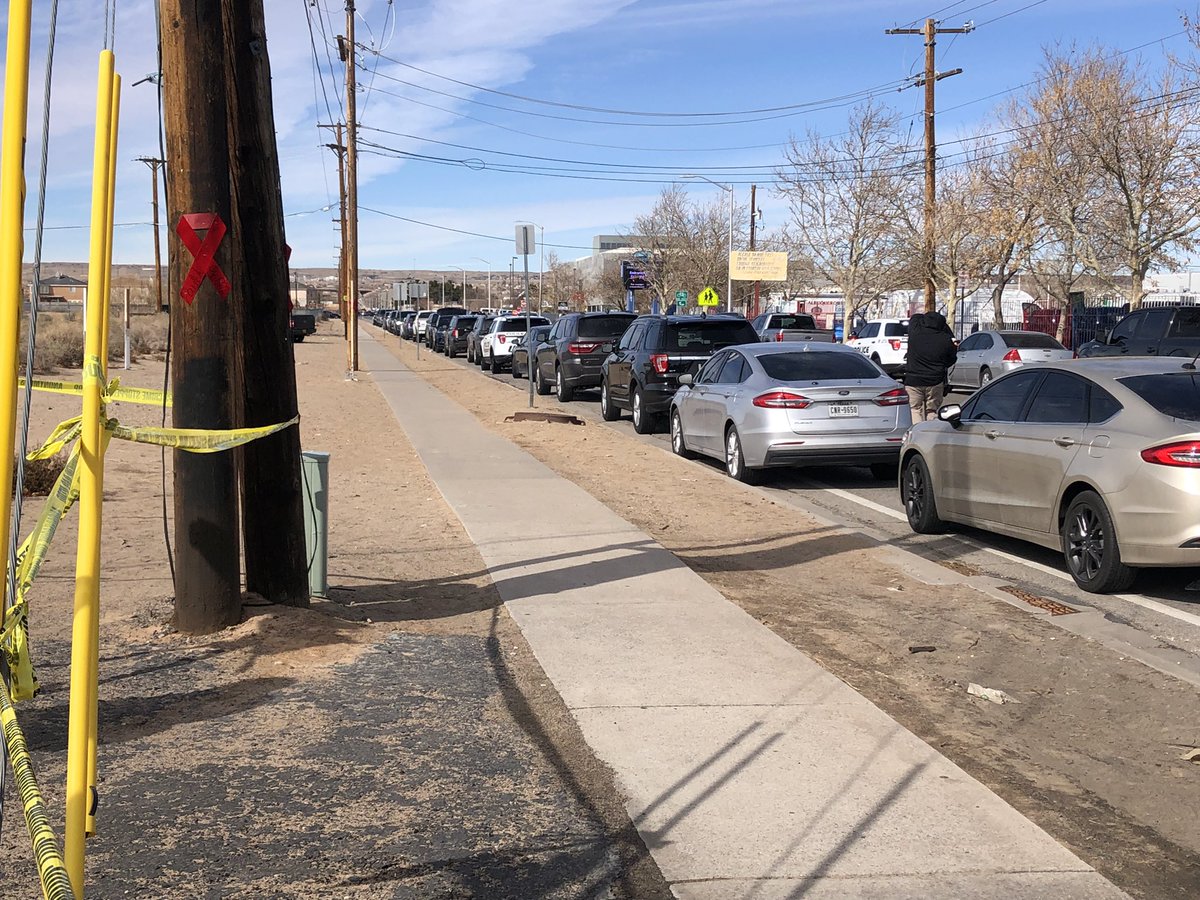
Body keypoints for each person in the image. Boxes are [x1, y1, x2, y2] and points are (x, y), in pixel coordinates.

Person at [905, 311, 957, 422]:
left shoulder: (915, 332)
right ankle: (930, 433)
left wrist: (923, 316)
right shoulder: (945, 339)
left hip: (913, 380)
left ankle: (917, 433)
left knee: (915, 409)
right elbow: (952, 359)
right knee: (932, 412)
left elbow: (915, 317)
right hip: (935, 380)